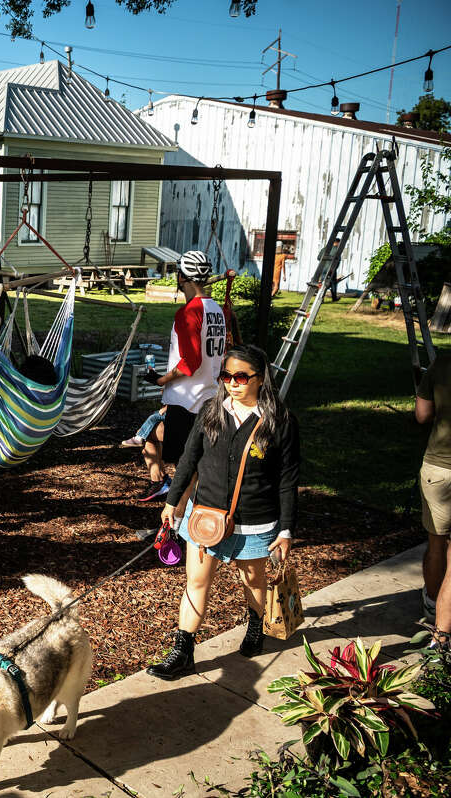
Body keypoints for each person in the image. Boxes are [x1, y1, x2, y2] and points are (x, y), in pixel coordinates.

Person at [146, 344, 300, 680]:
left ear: (260, 379)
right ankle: (183, 650)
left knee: (253, 580)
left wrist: (286, 530)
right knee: (196, 582)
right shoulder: (211, 412)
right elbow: (188, 459)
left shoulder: (280, 421)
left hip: (256, 520)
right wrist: (173, 502)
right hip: (205, 517)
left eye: (242, 376)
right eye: (226, 375)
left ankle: (255, 626)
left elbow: (288, 479)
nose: (233, 382)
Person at [139, 251, 227, 503]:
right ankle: (161, 487)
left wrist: (161, 380)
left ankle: (182, 524)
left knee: (187, 467)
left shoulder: (188, 313)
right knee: (151, 436)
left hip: (187, 401)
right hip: (209, 395)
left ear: (182, 278)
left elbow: (191, 362)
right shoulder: (216, 310)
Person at [416, 354, 451, 653]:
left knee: (436, 544)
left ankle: (431, 603)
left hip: (438, 469)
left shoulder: (441, 364)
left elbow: (422, 415)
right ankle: (442, 633)